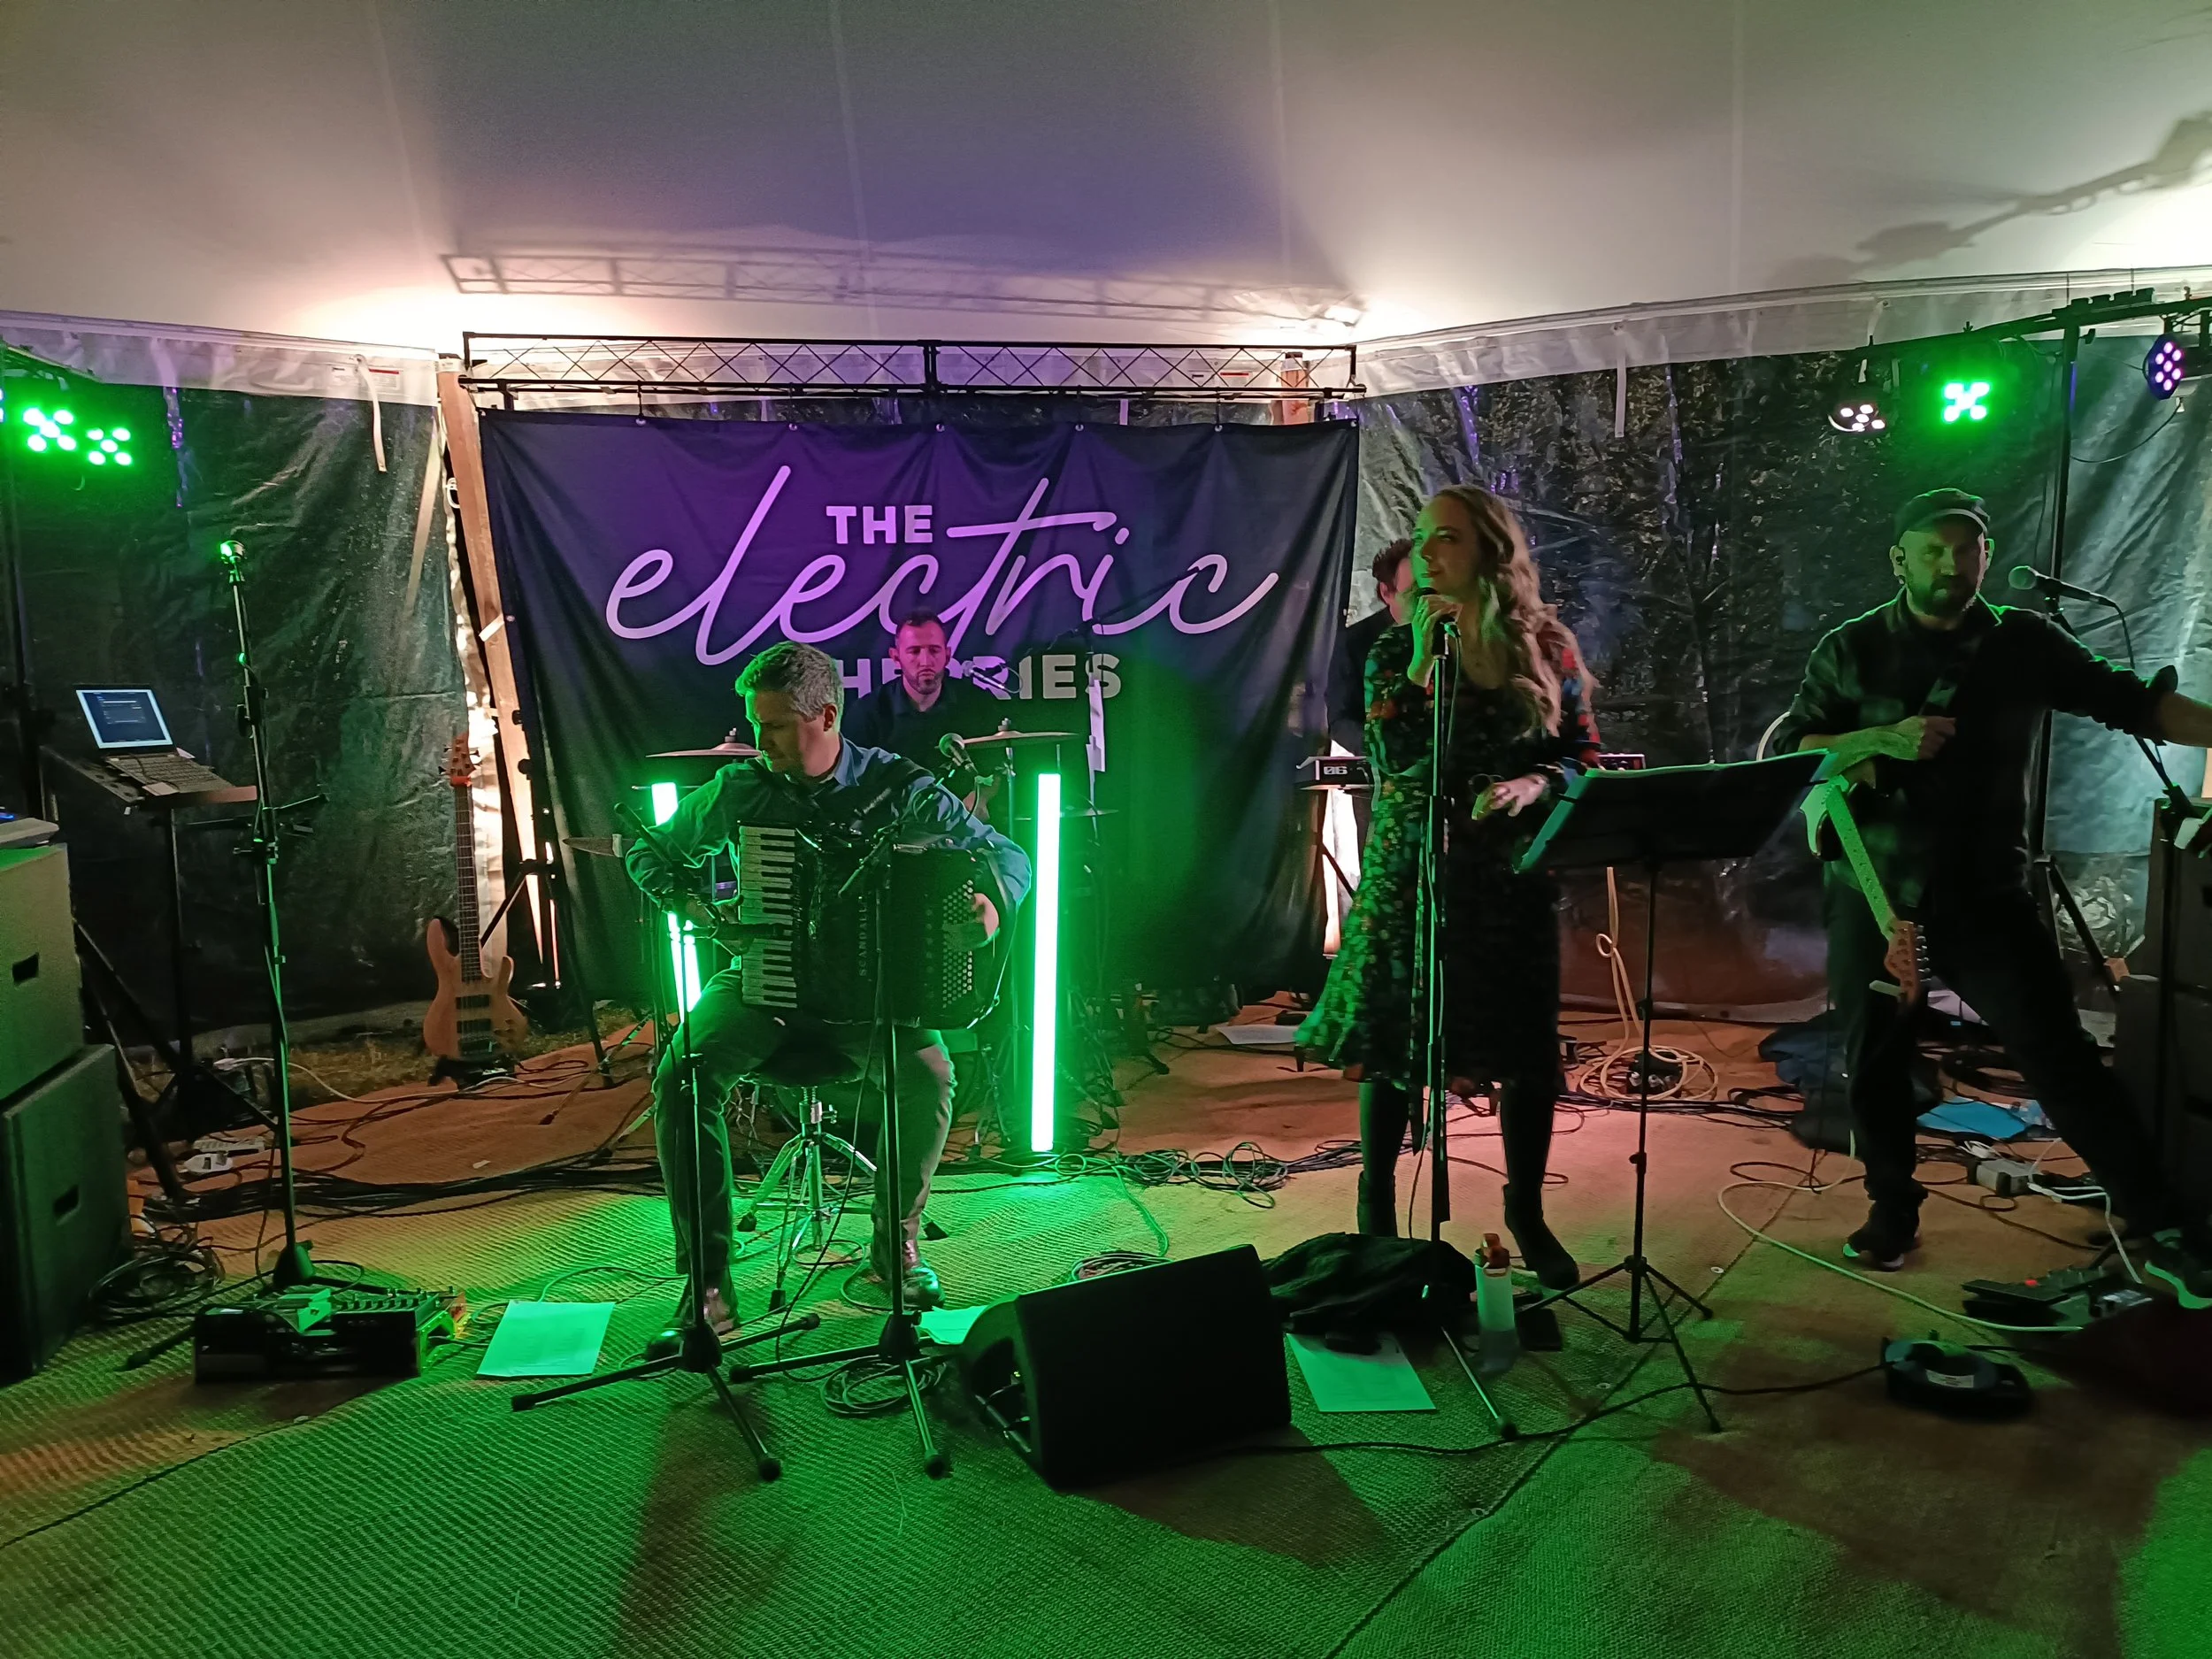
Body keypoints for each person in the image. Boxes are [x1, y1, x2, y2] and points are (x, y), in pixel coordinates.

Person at [1774, 488, 2212, 1305]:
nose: (1951, 563)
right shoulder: (1852, 646)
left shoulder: (2022, 642)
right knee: (1873, 1056)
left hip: (1986, 889)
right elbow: (1798, 746)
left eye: (1966, 546)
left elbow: (2131, 701)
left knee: (2060, 1056)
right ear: (1899, 558)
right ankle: (1891, 1211)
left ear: (1986, 550)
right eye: (1932, 549)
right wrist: (1881, 738)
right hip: (1873, 885)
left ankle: (2158, 1225)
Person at [626, 641, 1033, 1331]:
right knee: (683, 1072)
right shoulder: (741, 789)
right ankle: (709, 1284)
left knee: (930, 1076)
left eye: (778, 724)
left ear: (828, 715)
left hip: (874, 1000)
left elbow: (1006, 855)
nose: (762, 740)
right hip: (764, 986)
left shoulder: (895, 787)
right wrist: (698, 909)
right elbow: (648, 851)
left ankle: (893, 1246)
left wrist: (990, 908)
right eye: (756, 723)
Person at [1299, 485, 1600, 1287]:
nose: (1428, 554)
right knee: (1400, 1044)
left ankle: (1526, 1210)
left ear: (1490, 553)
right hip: (1414, 866)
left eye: (1448, 540)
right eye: (1424, 540)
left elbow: (1582, 752)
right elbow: (1394, 761)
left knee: (1525, 1051)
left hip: (1508, 875)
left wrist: (1535, 785)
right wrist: (1430, 664)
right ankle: (1375, 1202)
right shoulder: (1392, 652)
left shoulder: (1549, 645)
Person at [843, 611, 1010, 780]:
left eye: (934, 650)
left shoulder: (977, 704)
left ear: (947, 655)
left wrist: (980, 798)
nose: (925, 661)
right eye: (914, 651)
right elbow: (851, 783)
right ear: (895, 657)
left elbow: (998, 772)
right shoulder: (868, 713)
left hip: (964, 806)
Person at [1328, 538, 1417, 756]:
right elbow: (1341, 721)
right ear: (1386, 592)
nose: (1426, 602)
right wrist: (1384, 752)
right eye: (1414, 593)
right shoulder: (1356, 642)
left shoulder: (1455, 634)